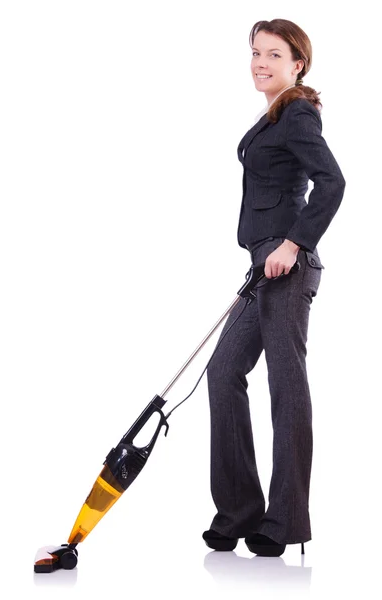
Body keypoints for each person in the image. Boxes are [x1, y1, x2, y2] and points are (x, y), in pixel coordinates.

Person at [202, 18, 346, 557]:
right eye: (255, 53)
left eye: (273, 54)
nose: (260, 62)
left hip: (288, 263)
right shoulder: (275, 116)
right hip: (262, 264)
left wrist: (292, 243)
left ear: (297, 63)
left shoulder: (298, 112)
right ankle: (238, 511)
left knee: (286, 386)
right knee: (222, 372)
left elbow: (333, 182)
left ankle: (283, 522)